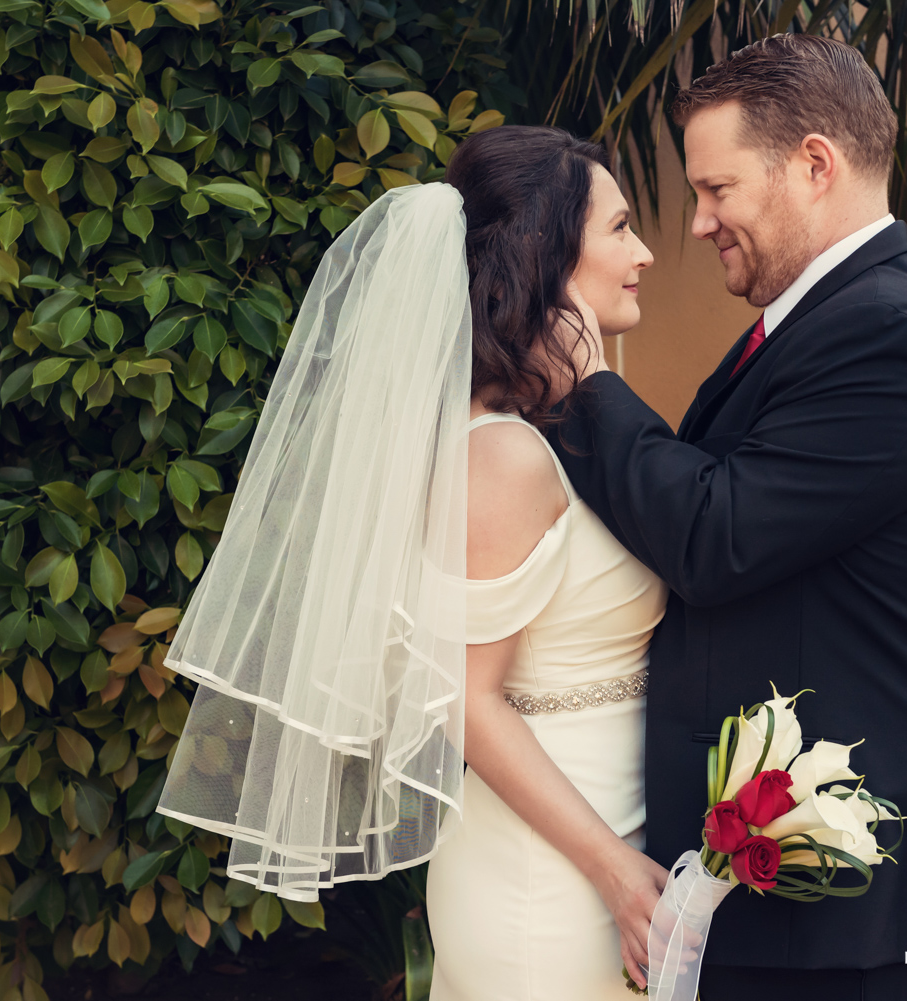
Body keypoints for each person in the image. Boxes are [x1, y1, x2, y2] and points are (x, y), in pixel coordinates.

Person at [154, 124, 666, 999]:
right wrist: (613, 870)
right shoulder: (502, 456)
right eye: (620, 228)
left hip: (609, 842)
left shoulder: (554, 432)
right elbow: (465, 697)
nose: (646, 252)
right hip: (553, 879)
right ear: (549, 253)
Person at [550, 34, 907, 1001]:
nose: (701, 221)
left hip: (848, 913)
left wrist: (583, 381)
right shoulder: (829, 317)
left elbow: (717, 536)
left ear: (813, 165)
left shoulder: (893, 337)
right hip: (785, 899)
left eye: (718, 190)